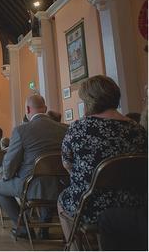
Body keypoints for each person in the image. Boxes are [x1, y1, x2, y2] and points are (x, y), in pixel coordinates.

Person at [58, 76, 147, 244]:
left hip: (90, 204)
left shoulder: (79, 128)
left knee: (62, 200)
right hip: (133, 202)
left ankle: (75, 248)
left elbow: (66, 163)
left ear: (89, 100)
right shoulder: (137, 128)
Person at [0, 94, 68, 239]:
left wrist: (7, 177)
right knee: (46, 180)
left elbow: (10, 163)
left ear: (27, 109)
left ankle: (23, 227)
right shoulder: (65, 129)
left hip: (30, 185)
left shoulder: (21, 130)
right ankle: (44, 227)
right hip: (62, 185)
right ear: (45, 108)